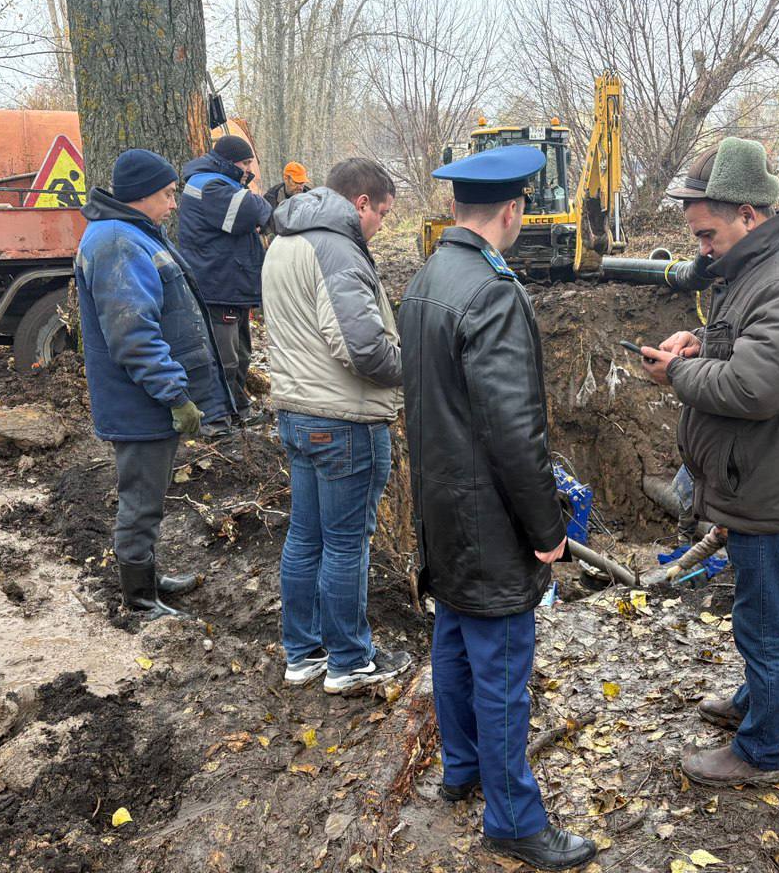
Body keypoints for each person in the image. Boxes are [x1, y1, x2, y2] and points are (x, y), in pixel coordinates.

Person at [635, 137, 779, 785]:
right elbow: (750, 345)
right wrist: (698, 340)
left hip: (776, 481)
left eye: (707, 233)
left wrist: (678, 374)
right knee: (758, 609)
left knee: (766, 620)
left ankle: (762, 752)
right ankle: (754, 702)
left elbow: (754, 388)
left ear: (748, 215)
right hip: (759, 473)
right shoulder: (762, 262)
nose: (701, 248)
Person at [398, 146, 598, 871]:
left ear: (456, 209)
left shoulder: (426, 280)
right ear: (512, 212)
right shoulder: (492, 293)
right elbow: (516, 431)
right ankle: (514, 818)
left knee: (452, 640)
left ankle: (462, 771)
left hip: (441, 510)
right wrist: (547, 531)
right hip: (488, 518)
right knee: (503, 663)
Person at [261, 157, 411, 694]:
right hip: (344, 419)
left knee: (305, 538)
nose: (380, 227)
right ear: (362, 202)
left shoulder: (284, 239)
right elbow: (362, 347)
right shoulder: (337, 247)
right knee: (347, 544)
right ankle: (349, 661)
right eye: (383, 214)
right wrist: (413, 363)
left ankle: (303, 655)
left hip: (298, 414)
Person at [74, 149, 236, 619]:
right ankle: (140, 599)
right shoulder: (118, 243)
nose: (173, 203)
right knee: (141, 500)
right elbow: (134, 336)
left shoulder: (130, 234)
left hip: (144, 400)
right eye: (167, 194)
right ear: (143, 194)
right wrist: (175, 395)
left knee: (149, 495)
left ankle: (147, 575)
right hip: (139, 403)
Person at [177, 134, 273, 425]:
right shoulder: (210, 185)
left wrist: (256, 207)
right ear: (229, 161)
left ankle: (237, 411)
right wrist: (257, 207)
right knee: (224, 358)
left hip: (230, 286)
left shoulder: (216, 182)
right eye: (245, 163)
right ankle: (217, 419)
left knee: (240, 354)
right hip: (218, 286)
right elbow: (254, 210)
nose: (248, 170)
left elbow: (256, 209)